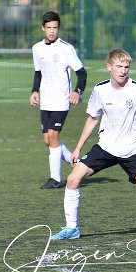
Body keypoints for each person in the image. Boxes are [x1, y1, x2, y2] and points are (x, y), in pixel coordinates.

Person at [51, 49, 136, 240]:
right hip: (106, 147)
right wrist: (78, 148)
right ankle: (72, 228)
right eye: (119, 66)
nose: (123, 71)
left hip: (133, 148)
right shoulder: (100, 90)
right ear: (109, 67)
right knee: (73, 179)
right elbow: (93, 118)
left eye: (126, 67)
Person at [30, 11, 87, 189]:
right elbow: (38, 73)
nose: (52, 31)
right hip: (46, 100)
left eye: (55, 28)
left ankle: (55, 178)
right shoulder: (37, 48)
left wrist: (77, 91)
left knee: (53, 136)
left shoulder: (66, 48)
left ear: (58, 28)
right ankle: (76, 162)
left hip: (61, 100)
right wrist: (34, 91)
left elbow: (82, 73)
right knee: (47, 140)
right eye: (49, 28)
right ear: (43, 28)